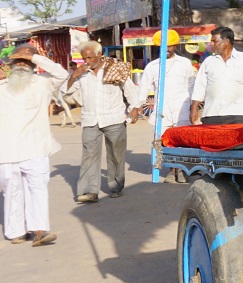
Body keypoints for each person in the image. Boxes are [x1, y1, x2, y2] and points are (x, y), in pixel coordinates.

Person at [1, 46, 67, 245]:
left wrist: (35, 57)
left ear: (34, 64)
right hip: (7, 150)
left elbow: (62, 74)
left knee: (37, 189)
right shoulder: (3, 87)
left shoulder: (43, 83)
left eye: (27, 60)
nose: (22, 63)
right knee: (11, 192)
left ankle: (39, 231)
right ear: (11, 64)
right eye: (18, 60)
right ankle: (16, 232)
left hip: (36, 147)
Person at [68, 41, 140, 202]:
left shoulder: (114, 68)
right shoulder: (82, 73)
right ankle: (89, 191)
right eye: (84, 58)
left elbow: (129, 89)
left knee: (116, 154)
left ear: (99, 55)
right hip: (90, 119)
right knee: (89, 156)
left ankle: (115, 186)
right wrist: (73, 75)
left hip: (114, 117)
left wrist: (134, 107)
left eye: (89, 58)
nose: (86, 61)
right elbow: (66, 92)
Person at [190, 27, 243, 125]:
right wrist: (194, 108)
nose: (211, 44)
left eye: (215, 41)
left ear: (226, 42)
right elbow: (200, 87)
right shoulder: (208, 62)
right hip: (212, 114)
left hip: (239, 114)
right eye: (211, 41)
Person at [139, 31, 196, 129]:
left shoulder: (185, 63)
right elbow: (144, 87)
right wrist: (138, 105)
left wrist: (193, 107)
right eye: (163, 46)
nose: (166, 49)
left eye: (169, 46)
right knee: (162, 139)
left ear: (175, 46)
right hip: (162, 116)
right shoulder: (152, 66)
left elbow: (191, 87)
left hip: (182, 115)